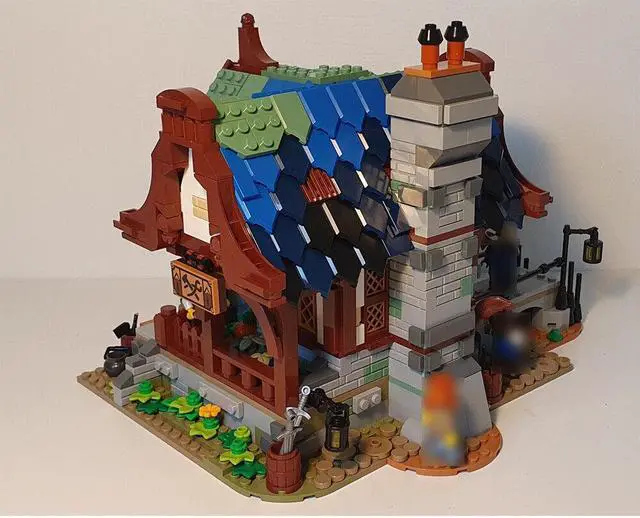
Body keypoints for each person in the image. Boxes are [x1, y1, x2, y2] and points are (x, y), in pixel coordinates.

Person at [421, 372, 465, 467]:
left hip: (448, 443)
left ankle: (450, 461)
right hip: (436, 441)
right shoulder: (429, 413)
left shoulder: (448, 414)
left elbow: (448, 426)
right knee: (429, 448)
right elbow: (430, 427)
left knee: (453, 457)